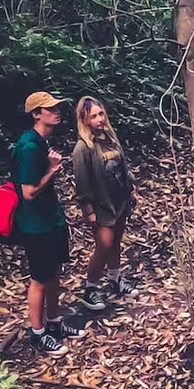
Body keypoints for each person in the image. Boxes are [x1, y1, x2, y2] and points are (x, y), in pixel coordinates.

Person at [15, 91, 85, 354]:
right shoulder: (30, 147)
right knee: (40, 279)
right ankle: (38, 333)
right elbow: (29, 192)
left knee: (54, 273)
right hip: (36, 225)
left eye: (57, 107)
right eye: (49, 109)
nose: (56, 112)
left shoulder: (41, 142)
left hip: (50, 220)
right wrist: (53, 170)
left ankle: (54, 323)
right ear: (36, 114)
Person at [71, 96, 136, 312]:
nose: (100, 119)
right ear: (85, 119)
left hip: (119, 201)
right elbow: (82, 185)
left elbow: (122, 167)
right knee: (103, 246)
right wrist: (89, 213)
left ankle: (115, 278)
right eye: (94, 116)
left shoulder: (110, 137)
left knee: (116, 241)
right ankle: (90, 288)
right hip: (101, 206)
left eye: (101, 114)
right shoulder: (83, 148)